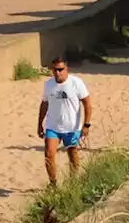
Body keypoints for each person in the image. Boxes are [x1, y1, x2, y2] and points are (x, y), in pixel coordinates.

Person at [36, 55, 93, 185]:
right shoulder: (48, 84)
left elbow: (87, 104)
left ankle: (73, 181)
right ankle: (53, 183)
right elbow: (44, 104)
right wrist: (39, 124)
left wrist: (87, 124)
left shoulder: (76, 83)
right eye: (55, 69)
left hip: (72, 127)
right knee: (49, 154)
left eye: (61, 69)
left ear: (67, 69)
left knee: (72, 154)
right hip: (53, 126)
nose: (58, 73)